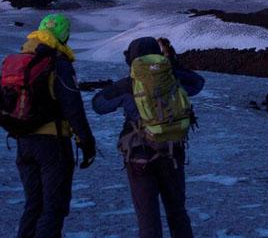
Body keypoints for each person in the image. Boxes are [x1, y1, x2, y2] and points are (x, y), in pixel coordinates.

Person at [92, 37, 204, 238]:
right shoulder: (173, 77)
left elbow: (98, 105)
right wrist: (172, 65)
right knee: (177, 212)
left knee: (148, 219)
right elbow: (198, 83)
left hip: (139, 157)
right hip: (172, 153)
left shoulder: (128, 84)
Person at [9, 13, 96, 238]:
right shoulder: (58, 63)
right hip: (52, 144)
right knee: (53, 208)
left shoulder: (22, 59)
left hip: (23, 141)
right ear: (64, 35)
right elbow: (72, 106)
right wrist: (86, 142)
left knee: (33, 205)